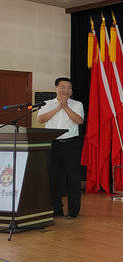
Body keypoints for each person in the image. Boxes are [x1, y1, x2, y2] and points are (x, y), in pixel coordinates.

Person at [38, 77, 84, 218]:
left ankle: (73, 211)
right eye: (63, 87)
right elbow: (41, 119)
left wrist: (66, 107)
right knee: (52, 178)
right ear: (56, 88)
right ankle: (56, 209)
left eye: (69, 87)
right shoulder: (47, 103)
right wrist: (58, 108)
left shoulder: (77, 104)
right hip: (52, 144)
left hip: (71, 144)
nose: (66, 90)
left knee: (73, 179)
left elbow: (79, 120)